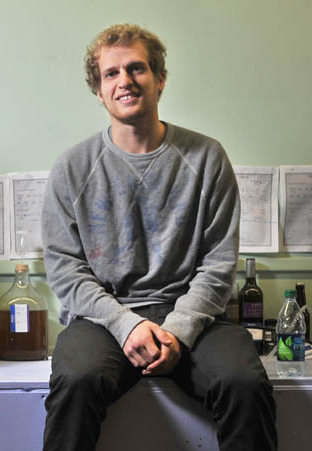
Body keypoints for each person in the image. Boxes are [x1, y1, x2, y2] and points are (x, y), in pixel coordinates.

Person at [41, 24, 277, 450]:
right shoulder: (72, 168)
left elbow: (218, 264)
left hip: (196, 318)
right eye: (111, 74)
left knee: (244, 384)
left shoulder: (207, 158)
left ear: (160, 78)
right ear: (98, 90)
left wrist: (178, 332)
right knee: (76, 382)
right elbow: (65, 269)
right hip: (103, 319)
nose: (125, 81)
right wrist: (126, 325)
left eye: (137, 69)